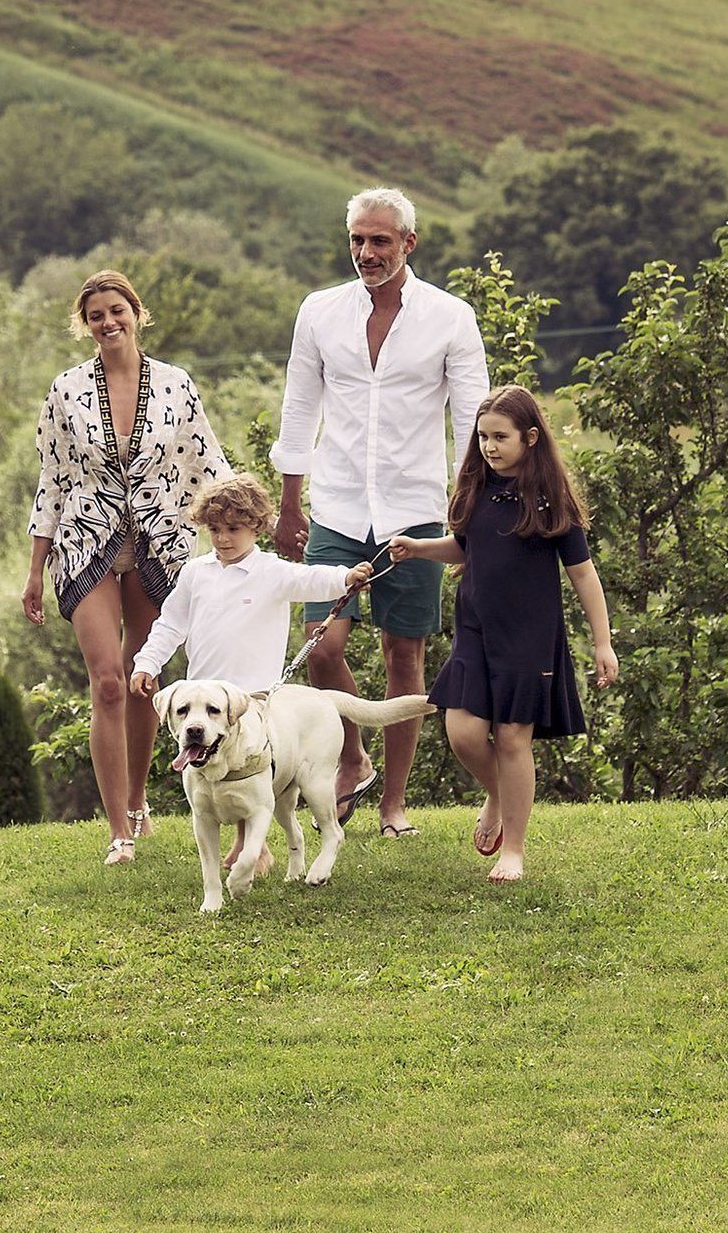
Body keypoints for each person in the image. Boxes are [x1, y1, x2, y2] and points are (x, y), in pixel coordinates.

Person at [272, 186, 490, 836]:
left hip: (416, 509)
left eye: (380, 241)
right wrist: (288, 500)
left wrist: (468, 517)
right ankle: (352, 757)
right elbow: (299, 405)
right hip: (336, 506)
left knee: (404, 654)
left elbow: (472, 419)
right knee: (320, 646)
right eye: (357, 241)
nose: (366, 253)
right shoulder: (319, 312)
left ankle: (394, 806)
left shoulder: (451, 318)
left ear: (408, 244)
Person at [22, 268, 237, 865]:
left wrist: (241, 536)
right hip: (85, 540)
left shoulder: (175, 385)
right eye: (96, 315)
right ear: (84, 325)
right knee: (108, 683)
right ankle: (118, 829)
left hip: (159, 544)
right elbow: (51, 480)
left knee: (144, 678)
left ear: (137, 313)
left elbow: (209, 465)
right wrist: (36, 569)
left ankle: (139, 801)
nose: (108, 322)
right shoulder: (66, 390)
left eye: (117, 310)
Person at [387, 385, 614, 885]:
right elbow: (466, 548)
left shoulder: (552, 500)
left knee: (513, 739)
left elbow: (583, 574)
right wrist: (418, 548)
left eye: (500, 437)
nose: (489, 446)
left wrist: (603, 641)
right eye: (483, 436)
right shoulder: (476, 489)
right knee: (463, 733)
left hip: (530, 639)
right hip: (476, 632)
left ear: (530, 438)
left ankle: (513, 849)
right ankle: (497, 793)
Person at [129, 472, 395, 701]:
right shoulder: (195, 572)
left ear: (256, 526)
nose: (222, 538)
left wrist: (345, 578)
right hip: (205, 702)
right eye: (214, 528)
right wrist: (147, 663)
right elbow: (170, 625)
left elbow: (310, 579)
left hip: (257, 700)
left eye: (233, 529)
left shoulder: (271, 571)